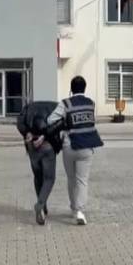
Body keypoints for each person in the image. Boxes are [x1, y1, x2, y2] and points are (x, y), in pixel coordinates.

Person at [44, 76, 104, 225]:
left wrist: (65, 123)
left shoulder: (65, 104)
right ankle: (80, 212)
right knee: (82, 180)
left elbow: (50, 120)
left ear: (71, 89)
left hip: (69, 146)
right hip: (87, 147)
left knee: (71, 179)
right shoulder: (91, 103)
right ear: (85, 88)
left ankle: (73, 208)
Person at [16, 100, 62, 225]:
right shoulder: (56, 107)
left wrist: (27, 133)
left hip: (32, 145)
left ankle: (43, 206)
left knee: (38, 176)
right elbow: (59, 124)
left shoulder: (28, 107)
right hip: (48, 145)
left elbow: (19, 122)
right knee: (49, 178)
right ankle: (40, 205)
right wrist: (46, 136)